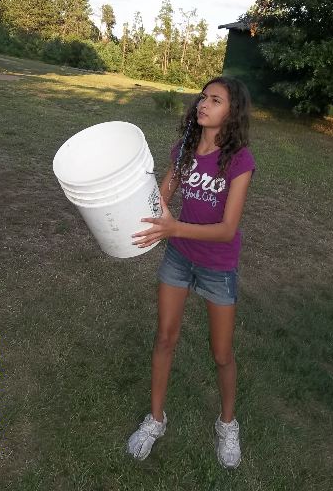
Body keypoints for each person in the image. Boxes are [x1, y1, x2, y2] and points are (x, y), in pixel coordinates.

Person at [126, 76, 255, 468]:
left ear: (232, 112)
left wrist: (173, 228)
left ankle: (227, 424)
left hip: (218, 265)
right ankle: (156, 420)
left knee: (221, 353)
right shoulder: (184, 148)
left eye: (215, 100)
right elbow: (162, 198)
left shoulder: (239, 160)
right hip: (179, 257)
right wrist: (134, 203)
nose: (203, 104)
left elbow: (227, 230)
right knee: (165, 338)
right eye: (203, 97)